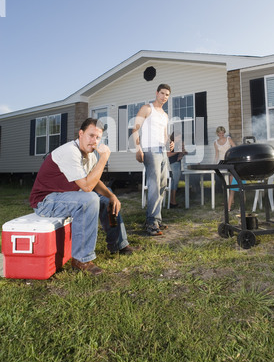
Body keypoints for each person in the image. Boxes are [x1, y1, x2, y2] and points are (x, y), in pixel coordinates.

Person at [29, 118, 135, 276]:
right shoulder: (70, 152)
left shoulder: (90, 154)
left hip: (65, 197)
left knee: (107, 200)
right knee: (90, 198)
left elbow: (94, 180)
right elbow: (86, 186)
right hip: (45, 201)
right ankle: (81, 259)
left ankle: (118, 244)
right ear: (81, 134)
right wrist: (104, 158)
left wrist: (112, 196)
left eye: (98, 138)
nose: (94, 141)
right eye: (91, 135)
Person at [132, 84, 173, 236]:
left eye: (167, 95)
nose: (164, 96)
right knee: (154, 186)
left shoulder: (165, 114)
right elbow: (135, 129)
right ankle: (151, 223)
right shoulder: (147, 108)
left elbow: (164, 135)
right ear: (156, 93)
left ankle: (157, 219)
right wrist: (138, 149)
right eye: (162, 93)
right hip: (150, 151)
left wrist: (170, 142)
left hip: (162, 151)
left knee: (162, 185)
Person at [213, 126, 236, 211]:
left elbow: (235, 148)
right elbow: (216, 154)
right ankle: (229, 200)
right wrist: (214, 164)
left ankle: (230, 200)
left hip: (229, 161)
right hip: (221, 163)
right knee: (224, 183)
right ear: (217, 133)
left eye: (222, 133)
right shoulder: (215, 142)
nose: (221, 135)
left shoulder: (228, 139)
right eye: (220, 133)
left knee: (231, 181)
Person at [167, 131, 188, 207]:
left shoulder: (179, 144)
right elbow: (168, 154)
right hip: (173, 164)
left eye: (179, 136)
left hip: (178, 163)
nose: (179, 138)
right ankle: (172, 202)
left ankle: (172, 200)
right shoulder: (171, 143)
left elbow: (182, 152)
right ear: (174, 137)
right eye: (177, 136)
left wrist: (183, 153)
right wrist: (177, 152)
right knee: (175, 182)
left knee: (175, 181)